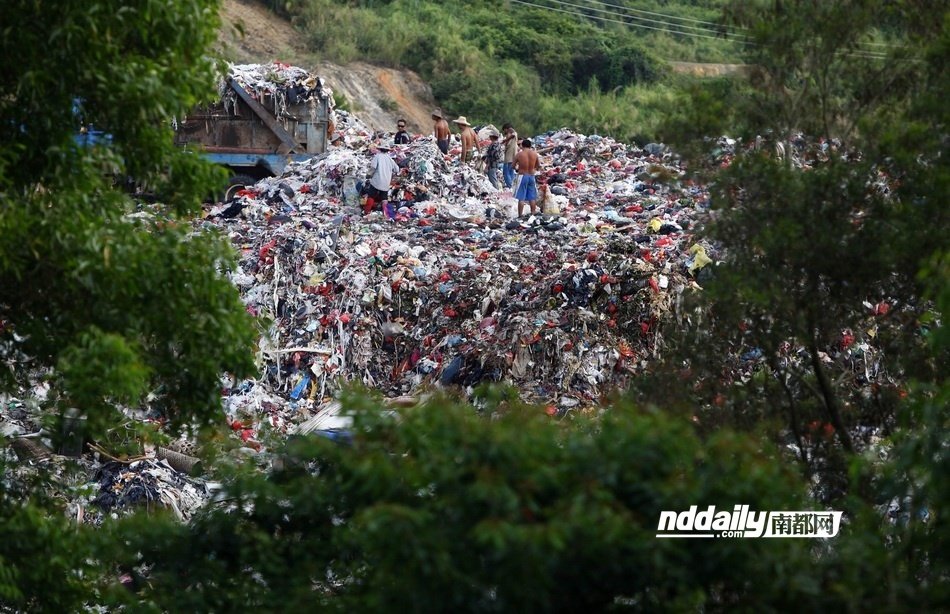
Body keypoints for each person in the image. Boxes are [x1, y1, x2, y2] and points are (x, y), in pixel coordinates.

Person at [365, 139, 398, 213]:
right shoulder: (390, 159)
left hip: (377, 181)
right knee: (384, 197)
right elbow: (397, 169)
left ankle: (366, 211)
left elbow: (373, 168)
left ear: (380, 149)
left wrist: (368, 175)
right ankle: (385, 213)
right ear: (387, 150)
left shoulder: (377, 156)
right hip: (386, 182)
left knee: (371, 195)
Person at [513, 138, 540, 217]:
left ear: (522, 145)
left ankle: (520, 215)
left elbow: (513, 166)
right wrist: (533, 169)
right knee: (532, 197)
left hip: (522, 176)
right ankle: (533, 213)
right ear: (530, 146)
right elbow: (538, 165)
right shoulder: (535, 154)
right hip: (531, 176)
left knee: (521, 197)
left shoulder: (519, 154)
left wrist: (517, 169)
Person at [502, 123, 518, 189]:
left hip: (509, 157)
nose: (504, 132)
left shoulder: (513, 135)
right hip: (512, 157)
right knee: (511, 171)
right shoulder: (512, 135)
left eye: (504, 130)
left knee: (506, 172)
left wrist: (505, 140)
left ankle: (510, 185)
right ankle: (512, 185)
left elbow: (513, 132)